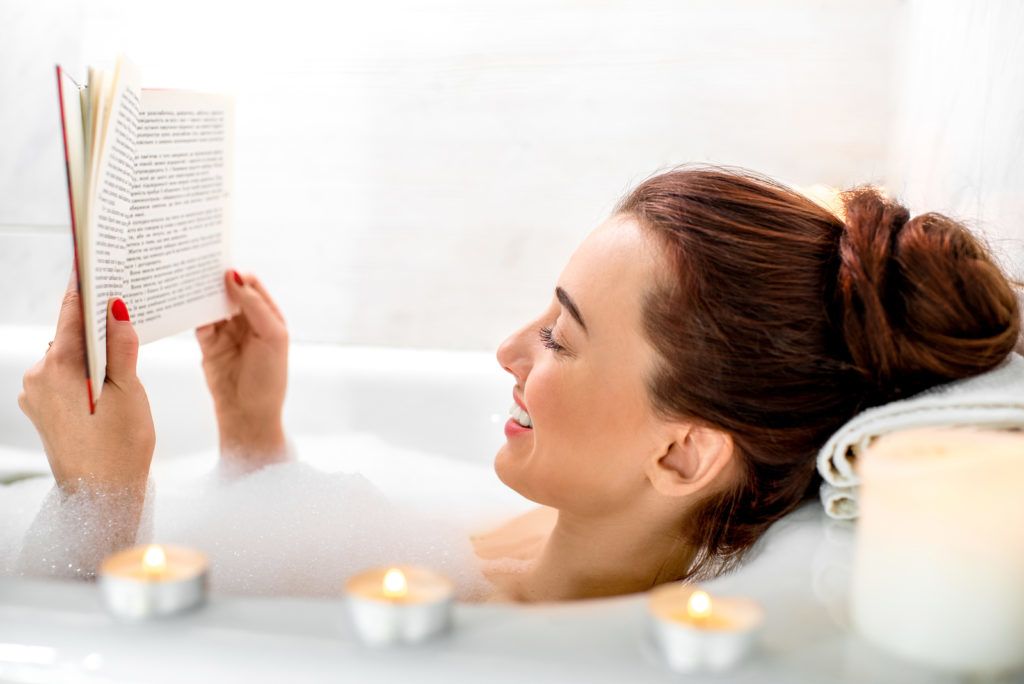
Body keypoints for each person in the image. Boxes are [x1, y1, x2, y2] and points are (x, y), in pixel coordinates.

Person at [18, 165, 1022, 602]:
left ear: (680, 452)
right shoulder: (510, 555)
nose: (506, 352)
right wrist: (253, 437)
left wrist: (94, 505)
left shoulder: (475, 636)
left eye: (559, 336)